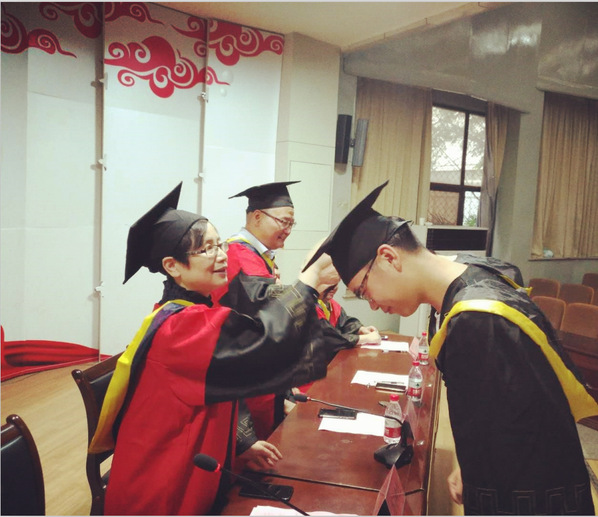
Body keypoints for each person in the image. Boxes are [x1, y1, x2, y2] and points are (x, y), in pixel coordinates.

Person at [303, 180, 598, 515]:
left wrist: (479, 474)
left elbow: (516, 437)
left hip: (529, 495)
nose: (372, 304)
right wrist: (466, 460)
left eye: (364, 290)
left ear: (388, 257)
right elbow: (492, 411)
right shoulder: (474, 274)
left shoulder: (477, 318)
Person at [90, 183, 336, 515]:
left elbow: (229, 380)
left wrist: (241, 443)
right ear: (173, 266)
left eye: (219, 244)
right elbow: (263, 343)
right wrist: (311, 278)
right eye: (207, 249)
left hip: (189, 468)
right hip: (160, 488)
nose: (222, 255)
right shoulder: (180, 329)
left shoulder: (190, 316)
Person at [211, 181, 300, 441]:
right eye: (283, 222)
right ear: (258, 216)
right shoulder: (239, 253)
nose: (288, 230)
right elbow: (269, 307)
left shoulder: (258, 254)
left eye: (291, 224)